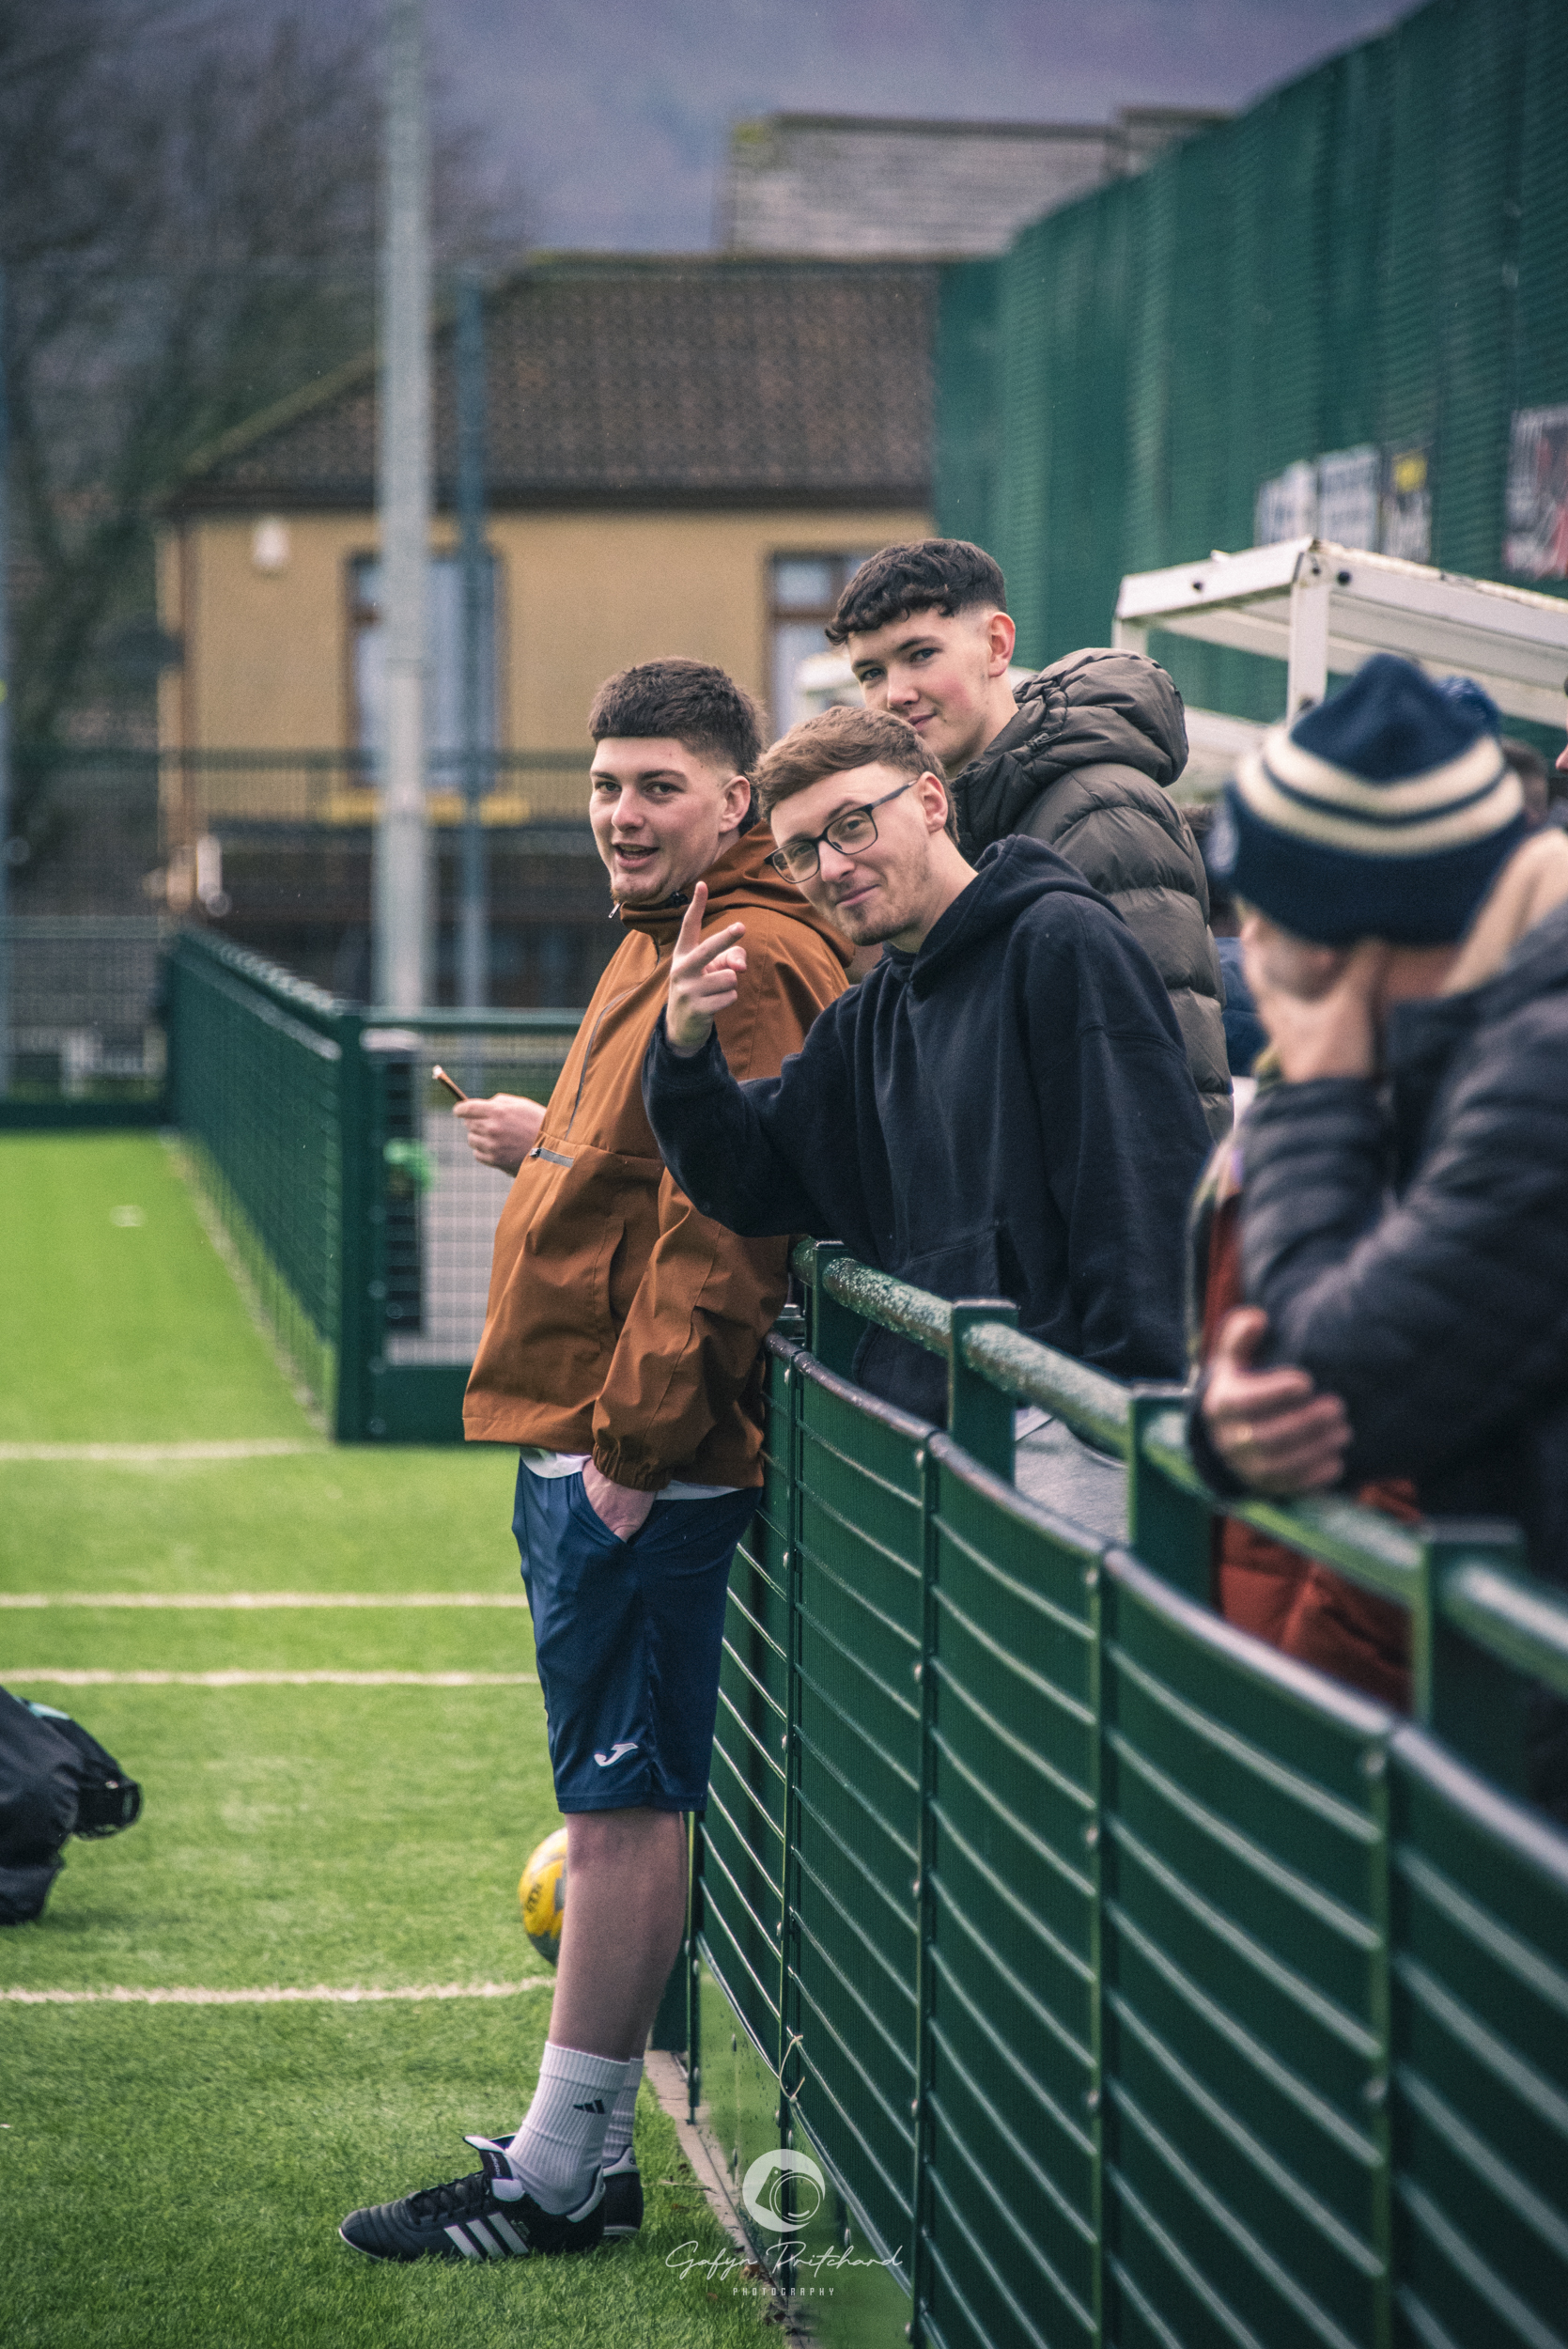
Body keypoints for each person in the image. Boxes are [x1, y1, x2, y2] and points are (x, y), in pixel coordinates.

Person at [339, 661, 851, 2263]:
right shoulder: (665, 936)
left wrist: (628, 1448)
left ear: (732, 803)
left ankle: (564, 2176)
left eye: (656, 789)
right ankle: (575, 2150)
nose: (621, 816)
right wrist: (540, 1140)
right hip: (601, 1439)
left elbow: (731, 1218)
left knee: (621, 1811)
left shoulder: (737, 950)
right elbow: (653, 1160)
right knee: (612, 1796)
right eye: (605, 786)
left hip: (639, 1456)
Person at [640, 702, 1212, 1523]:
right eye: (801, 851)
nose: (831, 867)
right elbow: (750, 1178)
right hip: (938, 1422)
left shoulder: (1059, 942)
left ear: (932, 804)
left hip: (1063, 1430)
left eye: (852, 826)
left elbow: (1138, 1193)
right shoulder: (866, 1017)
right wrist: (685, 1044)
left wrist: (1123, 1429)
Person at [1191, 656, 1568, 1812]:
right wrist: (1227, 1436)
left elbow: (1335, 1368)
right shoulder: (1481, 1032)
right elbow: (1296, 1365)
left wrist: (1313, 1079)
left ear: (1351, 935)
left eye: (1272, 926)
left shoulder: (1542, 1053)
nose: (1255, 959)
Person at [830, 537, 1232, 1139]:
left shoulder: (1100, 811)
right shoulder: (962, 822)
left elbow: (1159, 1083)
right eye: (871, 673)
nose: (895, 694)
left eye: (920, 655)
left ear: (996, 645)